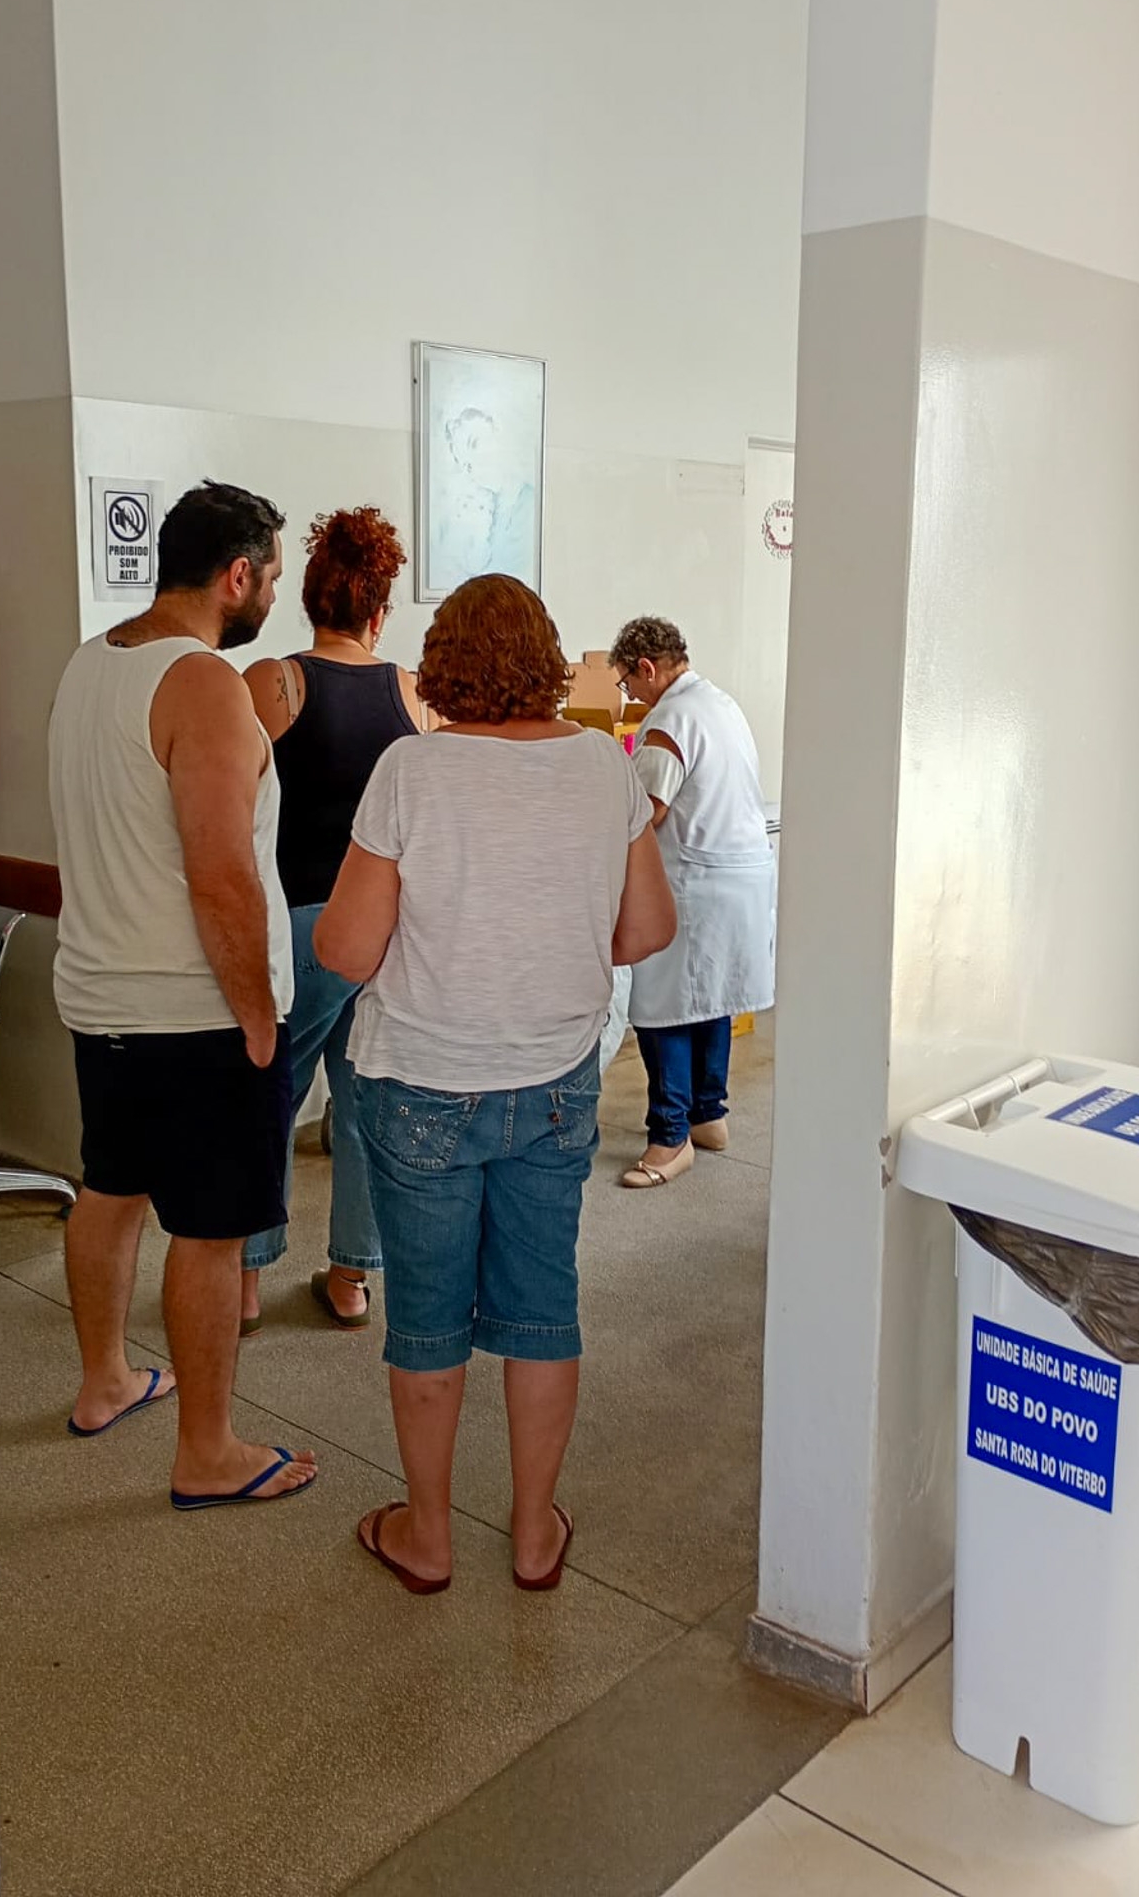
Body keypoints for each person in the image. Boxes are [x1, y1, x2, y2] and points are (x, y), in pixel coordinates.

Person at [314, 576, 675, 1593]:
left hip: (419, 1083)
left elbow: (345, 947)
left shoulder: (411, 770)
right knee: (541, 1309)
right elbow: (646, 928)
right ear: (546, 658)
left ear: (442, 664)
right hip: (555, 1080)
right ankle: (530, 1533)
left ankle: (425, 1535)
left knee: (427, 1318)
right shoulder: (602, 767)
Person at [47, 480, 316, 1510]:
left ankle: (104, 1380)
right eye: (271, 579)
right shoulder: (202, 682)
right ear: (236, 574)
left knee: (110, 1191)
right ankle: (207, 1451)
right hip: (195, 1015)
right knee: (208, 1231)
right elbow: (221, 873)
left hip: (101, 997)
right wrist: (256, 1017)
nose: (272, 599)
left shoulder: (90, 662)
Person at [240, 507, 426, 1330]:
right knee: (362, 1109)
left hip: (296, 929)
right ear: (379, 611)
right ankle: (351, 1279)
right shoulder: (413, 695)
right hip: (381, 933)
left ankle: (244, 1282)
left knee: (267, 1101)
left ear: (308, 598)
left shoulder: (272, 684)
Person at [610, 616, 775, 1189]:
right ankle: (708, 1115)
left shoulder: (669, 720)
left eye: (628, 682)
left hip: (694, 885)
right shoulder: (721, 704)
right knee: (713, 1002)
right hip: (738, 881)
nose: (630, 694)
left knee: (663, 1010)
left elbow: (644, 812)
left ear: (647, 667)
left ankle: (669, 1136)